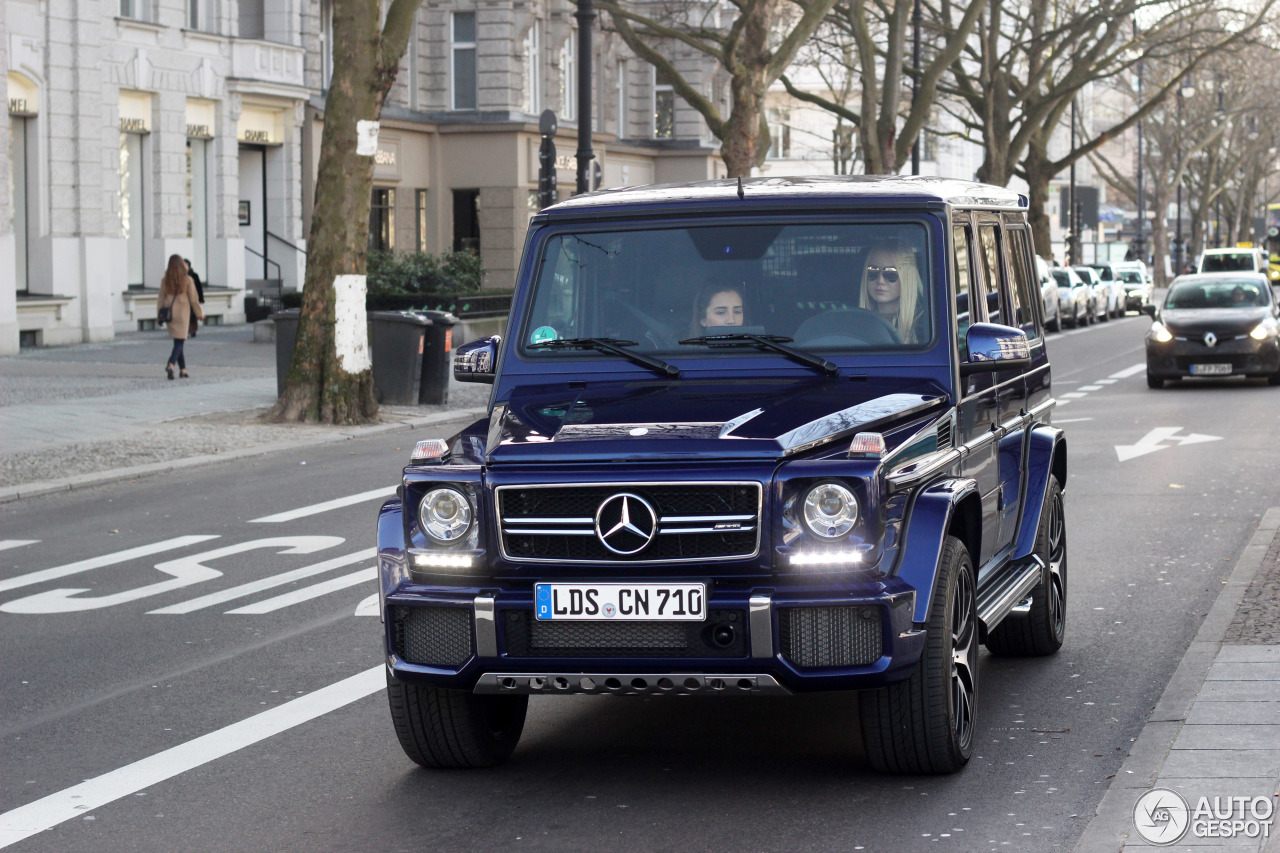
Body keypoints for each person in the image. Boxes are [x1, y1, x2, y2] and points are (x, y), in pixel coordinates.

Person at [857, 242, 926, 344]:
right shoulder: (855, 323)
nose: (880, 281)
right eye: (872, 271)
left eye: (891, 273)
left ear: (907, 277)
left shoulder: (924, 325)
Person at [159, 253, 204, 380]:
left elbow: (160, 298)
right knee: (180, 342)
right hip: (183, 314)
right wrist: (200, 314)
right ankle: (171, 364)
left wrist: (159, 315)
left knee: (178, 341)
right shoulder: (188, 280)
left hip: (170, 314)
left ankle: (183, 370)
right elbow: (194, 299)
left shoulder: (165, 280)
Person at [184, 259, 204, 337]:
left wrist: (201, 299)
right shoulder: (179, 276)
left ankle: (192, 330)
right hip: (183, 299)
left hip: (192, 298)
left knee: (192, 316)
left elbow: (199, 288)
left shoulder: (194, 275)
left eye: (186, 265)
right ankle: (184, 331)